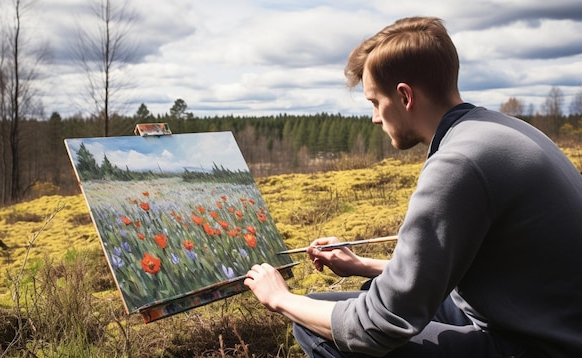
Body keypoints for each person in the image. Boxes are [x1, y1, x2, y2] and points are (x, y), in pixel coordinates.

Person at [243, 16, 582, 357]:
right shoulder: (501, 130)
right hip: (538, 320)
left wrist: (280, 298)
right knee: (352, 297)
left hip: (534, 344)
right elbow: (460, 267)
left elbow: (374, 328)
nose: (375, 118)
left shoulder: (459, 162)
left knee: (315, 327)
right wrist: (362, 265)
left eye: (375, 102)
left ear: (404, 96)